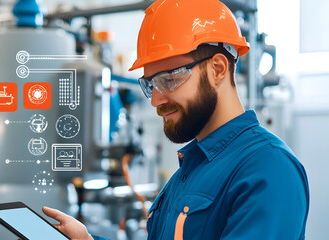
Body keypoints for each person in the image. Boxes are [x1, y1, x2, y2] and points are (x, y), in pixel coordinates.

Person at [42, 0, 309, 239]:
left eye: (169, 79)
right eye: (150, 85)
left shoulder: (268, 169)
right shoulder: (188, 171)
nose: (156, 100)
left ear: (218, 69)